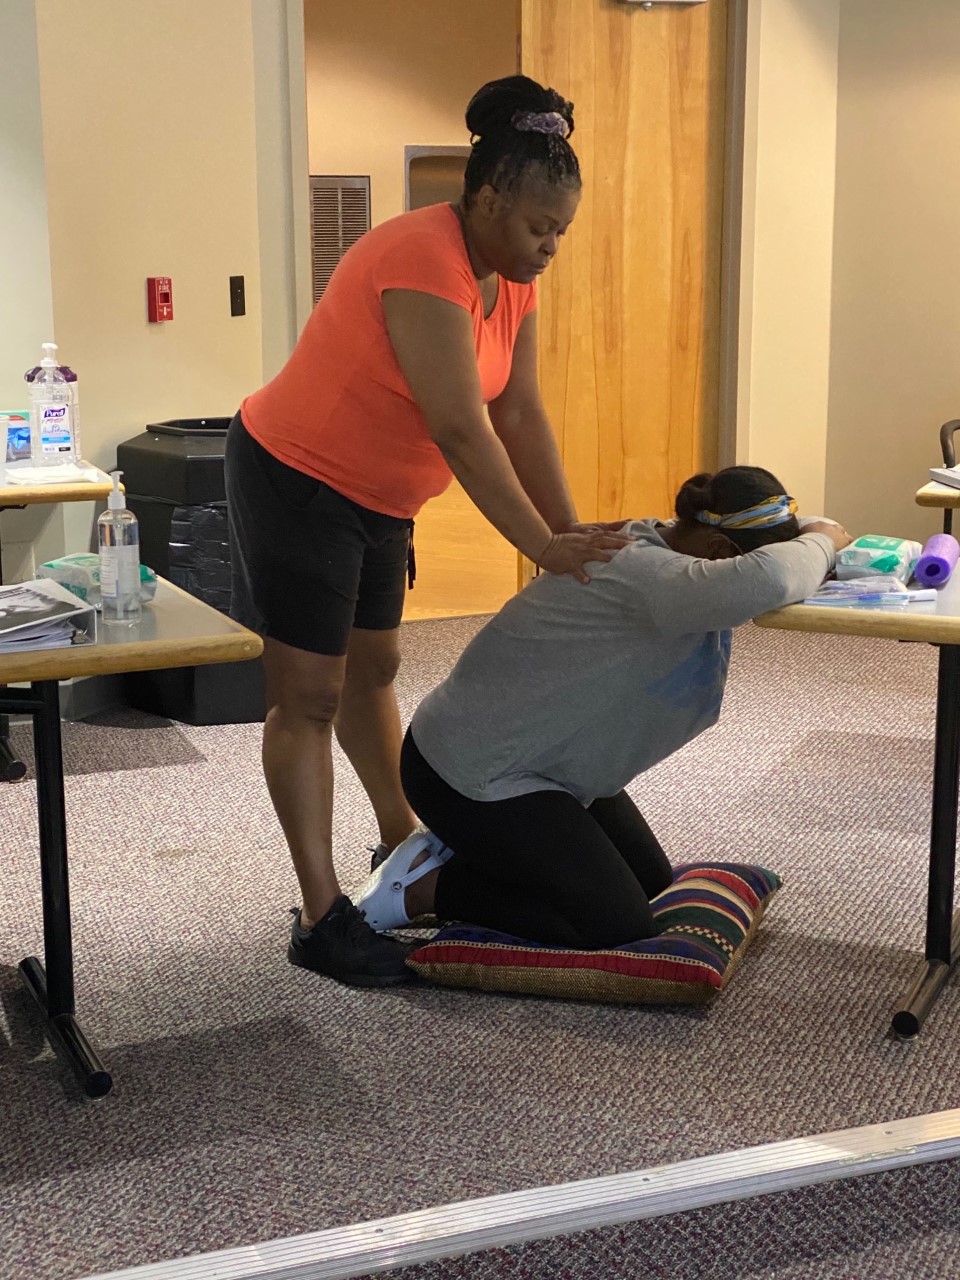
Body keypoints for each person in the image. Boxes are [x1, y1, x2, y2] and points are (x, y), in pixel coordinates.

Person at [225, 75, 628, 988]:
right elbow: (460, 424)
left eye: (560, 230)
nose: (550, 246)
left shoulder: (510, 281)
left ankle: (402, 842)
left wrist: (569, 531)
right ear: (485, 199)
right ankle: (321, 913)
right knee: (311, 695)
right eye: (537, 228)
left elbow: (520, 413)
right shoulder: (419, 256)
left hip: (381, 498)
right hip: (297, 476)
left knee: (376, 671)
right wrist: (538, 545)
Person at [354, 466, 853, 950]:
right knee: (613, 922)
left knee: (650, 881)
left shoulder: (666, 545)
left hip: (544, 764)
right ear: (721, 549)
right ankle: (423, 888)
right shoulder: (653, 577)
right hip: (469, 775)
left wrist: (812, 531)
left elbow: (772, 566)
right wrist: (824, 536)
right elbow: (768, 580)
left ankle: (484, 852)